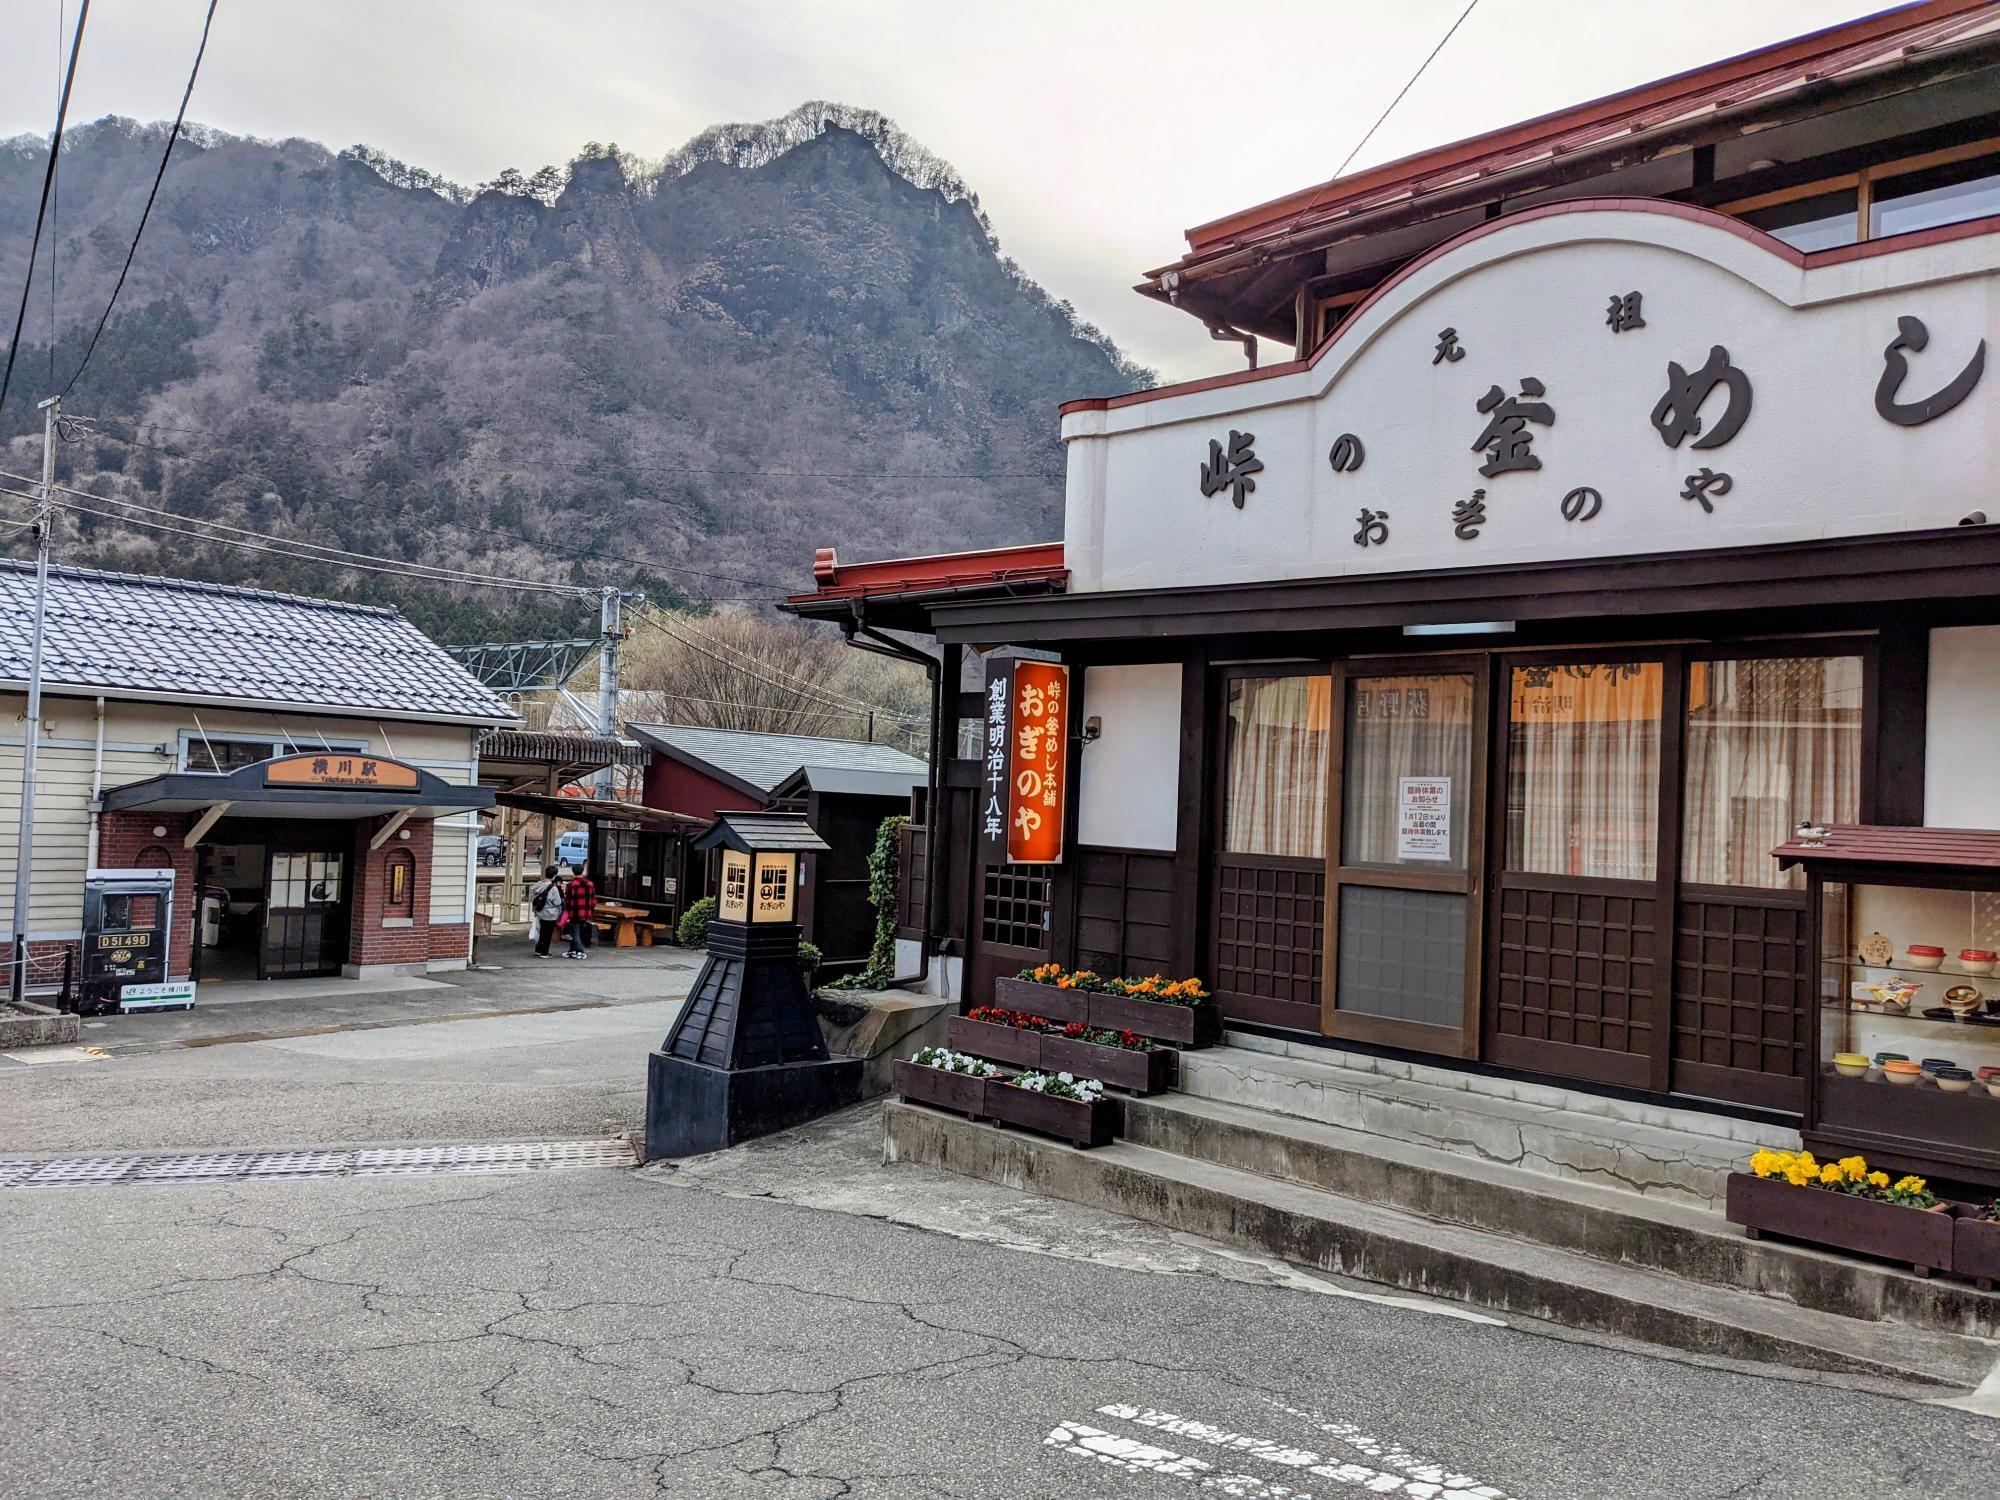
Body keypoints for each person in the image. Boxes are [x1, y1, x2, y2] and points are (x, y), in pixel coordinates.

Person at [564, 861, 597, 959]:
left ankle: (580, 951)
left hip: (574, 912)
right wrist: (591, 909)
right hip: (586, 912)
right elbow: (593, 900)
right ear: (583, 871)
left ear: (573, 872)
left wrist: (567, 910)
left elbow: (567, 900)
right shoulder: (590, 884)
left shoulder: (571, 885)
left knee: (574, 932)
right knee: (579, 931)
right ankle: (572, 951)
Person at [530, 865, 564, 958]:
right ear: (554, 876)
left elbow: (533, 898)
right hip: (550, 913)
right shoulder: (553, 888)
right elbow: (558, 902)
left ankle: (538, 949)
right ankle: (545, 952)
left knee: (542, 931)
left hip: (540, 912)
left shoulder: (537, 885)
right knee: (548, 933)